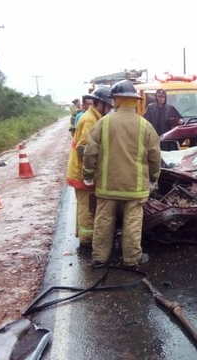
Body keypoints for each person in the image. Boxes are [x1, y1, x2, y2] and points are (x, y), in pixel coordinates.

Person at [83, 80, 161, 268]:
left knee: (103, 222)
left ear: (116, 100)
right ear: (135, 101)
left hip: (107, 187)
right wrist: (154, 177)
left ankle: (100, 258)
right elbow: (154, 156)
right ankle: (131, 259)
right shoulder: (145, 125)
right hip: (134, 188)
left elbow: (90, 152)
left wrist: (88, 175)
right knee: (132, 224)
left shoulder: (103, 123)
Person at [65, 87, 114, 248]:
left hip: (83, 170)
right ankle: (87, 241)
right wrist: (97, 163)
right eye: (108, 105)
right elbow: (83, 147)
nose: (109, 109)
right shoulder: (90, 120)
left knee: (85, 206)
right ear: (100, 103)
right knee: (87, 207)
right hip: (82, 171)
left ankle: (84, 235)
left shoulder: (95, 117)